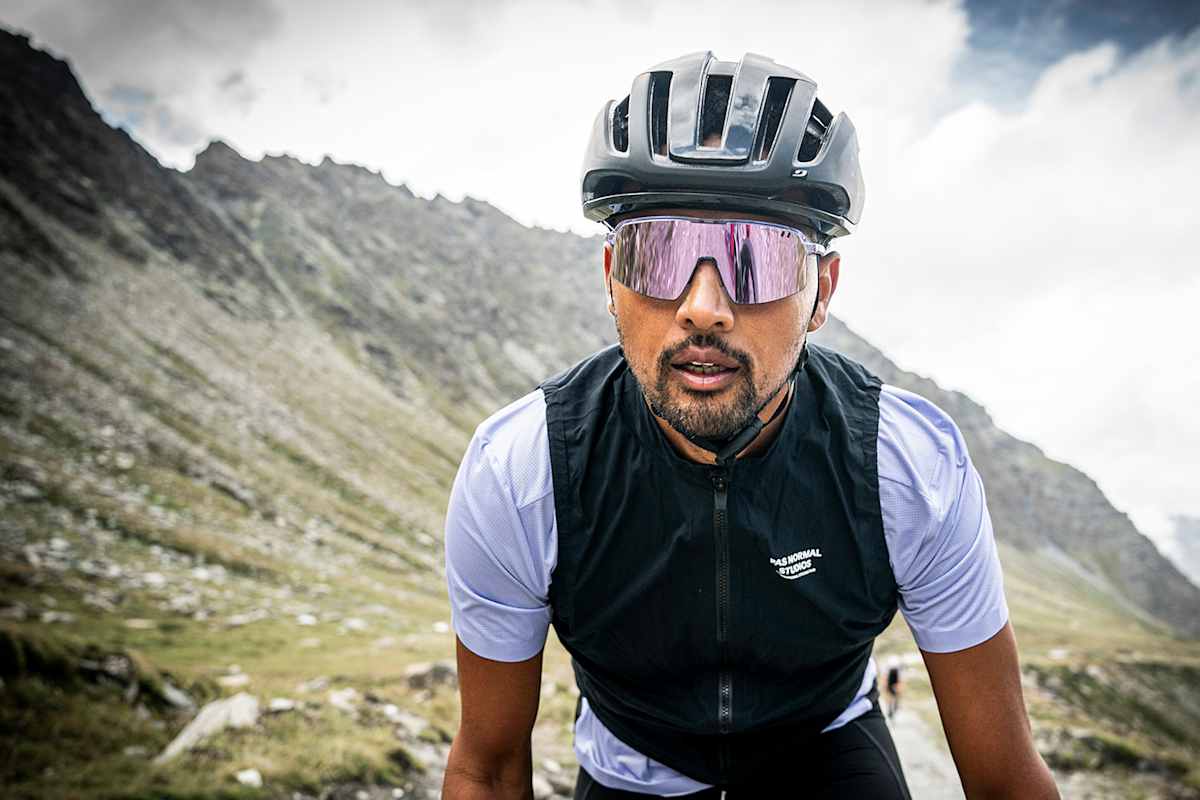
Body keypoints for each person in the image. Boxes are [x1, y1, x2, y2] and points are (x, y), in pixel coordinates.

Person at [441, 51, 1059, 799]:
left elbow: (1007, 782)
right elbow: (488, 767)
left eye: (758, 257)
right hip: (634, 767)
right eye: (658, 253)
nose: (704, 306)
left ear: (821, 292)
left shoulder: (906, 466)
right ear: (611, 278)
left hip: (826, 745)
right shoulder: (524, 471)